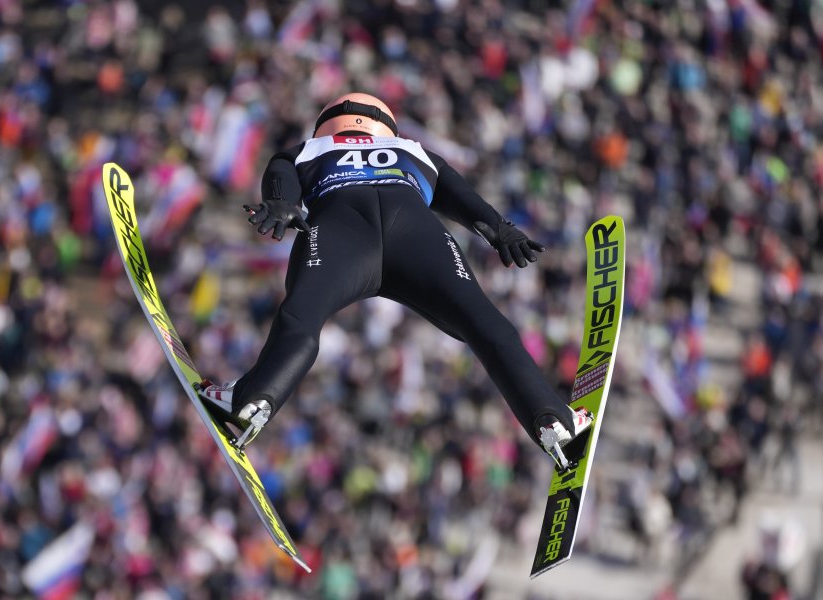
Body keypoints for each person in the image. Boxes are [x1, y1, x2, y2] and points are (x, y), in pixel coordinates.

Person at [197, 92, 590, 466]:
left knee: (302, 318)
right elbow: (458, 191)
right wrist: (499, 228)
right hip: (417, 235)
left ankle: (254, 400)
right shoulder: (413, 149)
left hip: (340, 229)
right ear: (387, 126)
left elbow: (280, 171)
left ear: (325, 125)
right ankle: (553, 419)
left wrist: (282, 203)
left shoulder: (310, 149)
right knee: (485, 323)